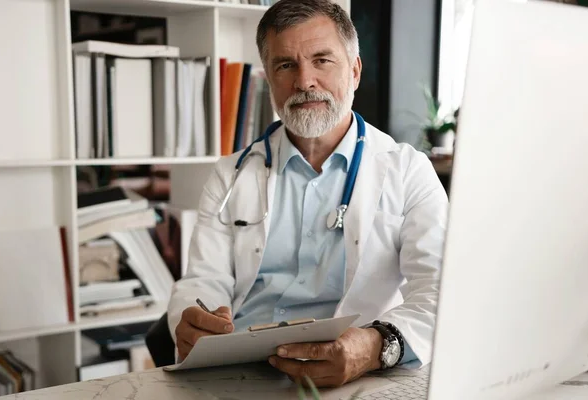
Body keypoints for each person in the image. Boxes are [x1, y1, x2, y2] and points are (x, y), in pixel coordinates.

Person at [167, 0, 448, 388]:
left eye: (322, 60)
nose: (304, 81)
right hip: (241, 369)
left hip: (355, 372)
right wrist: (193, 317)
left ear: (354, 71)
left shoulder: (408, 171)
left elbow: (441, 293)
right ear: (268, 77)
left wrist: (374, 347)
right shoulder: (231, 173)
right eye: (286, 65)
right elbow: (204, 279)